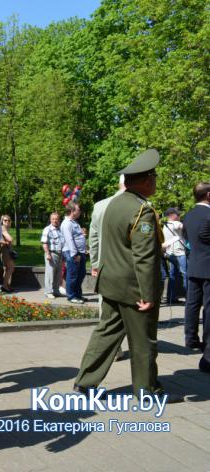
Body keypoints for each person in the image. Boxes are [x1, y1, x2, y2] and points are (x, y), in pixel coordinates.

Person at [74, 149, 182, 402]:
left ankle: (85, 383)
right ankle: (148, 392)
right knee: (143, 340)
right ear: (145, 180)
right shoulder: (141, 210)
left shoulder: (113, 204)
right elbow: (144, 257)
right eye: (154, 177)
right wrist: (147, 294)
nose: (156, 181)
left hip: (111, 282)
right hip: (134, 288)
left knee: (106, 333)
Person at [89, 175, 127, 361]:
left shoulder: (100, 206)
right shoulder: (143, 205)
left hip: (106, 267)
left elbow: (94, 239)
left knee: (107, 312)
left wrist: (95, 264)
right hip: (131, 270)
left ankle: (113, 349)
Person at [182, 182, 210, 360]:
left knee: (192, 304)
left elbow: (188, 239)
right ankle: (208, 343)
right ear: (208, 195)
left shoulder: (188, 215)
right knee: (208, 307)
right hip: (208, 267)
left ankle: (191, 338)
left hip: (194, 265)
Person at [60, 202, 87, 304]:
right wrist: (75, 254)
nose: (79, 212)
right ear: (72, 211)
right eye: (78, 210)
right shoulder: (67, 224)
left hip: (80, 252)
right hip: (72, 252)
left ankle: (78, 295)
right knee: (73, 275)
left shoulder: (74, 222)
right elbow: (69, 240)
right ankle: (71, 296)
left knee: (81, 274)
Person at [162, 207, 188, 304]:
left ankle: (171, 297)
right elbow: (181, 227)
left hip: (169, 253)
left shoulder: (165, 225)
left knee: (173, 275)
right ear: (172, 216)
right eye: (178, 215)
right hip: (180, 253)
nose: (179, 216)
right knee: (185, 275)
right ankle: (188, 297)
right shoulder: (176, 223)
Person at [41, 212, 65, 299]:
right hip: (51, 253)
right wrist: (47, 254)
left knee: (58, 274)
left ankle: (56, 291)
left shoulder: (60, 229)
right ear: (50, 220)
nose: (55, 221)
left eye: (57, 219)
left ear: (59, 220)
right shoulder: (47, 229)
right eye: (53, 219)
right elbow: (44, 243)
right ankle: (48, 291)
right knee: (50, 274)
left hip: (60, 254)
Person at [0, 215, 15, 293]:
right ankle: (5, 286)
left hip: (7, 250)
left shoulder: (5, 229)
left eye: (9, 220)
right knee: (10, 268)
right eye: (5, 220)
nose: (7, 222)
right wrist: (10, 241)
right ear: (2, 221)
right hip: (5, 250)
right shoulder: (3, 228)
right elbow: (10, 239)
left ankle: (6, 285)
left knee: (7, 268)